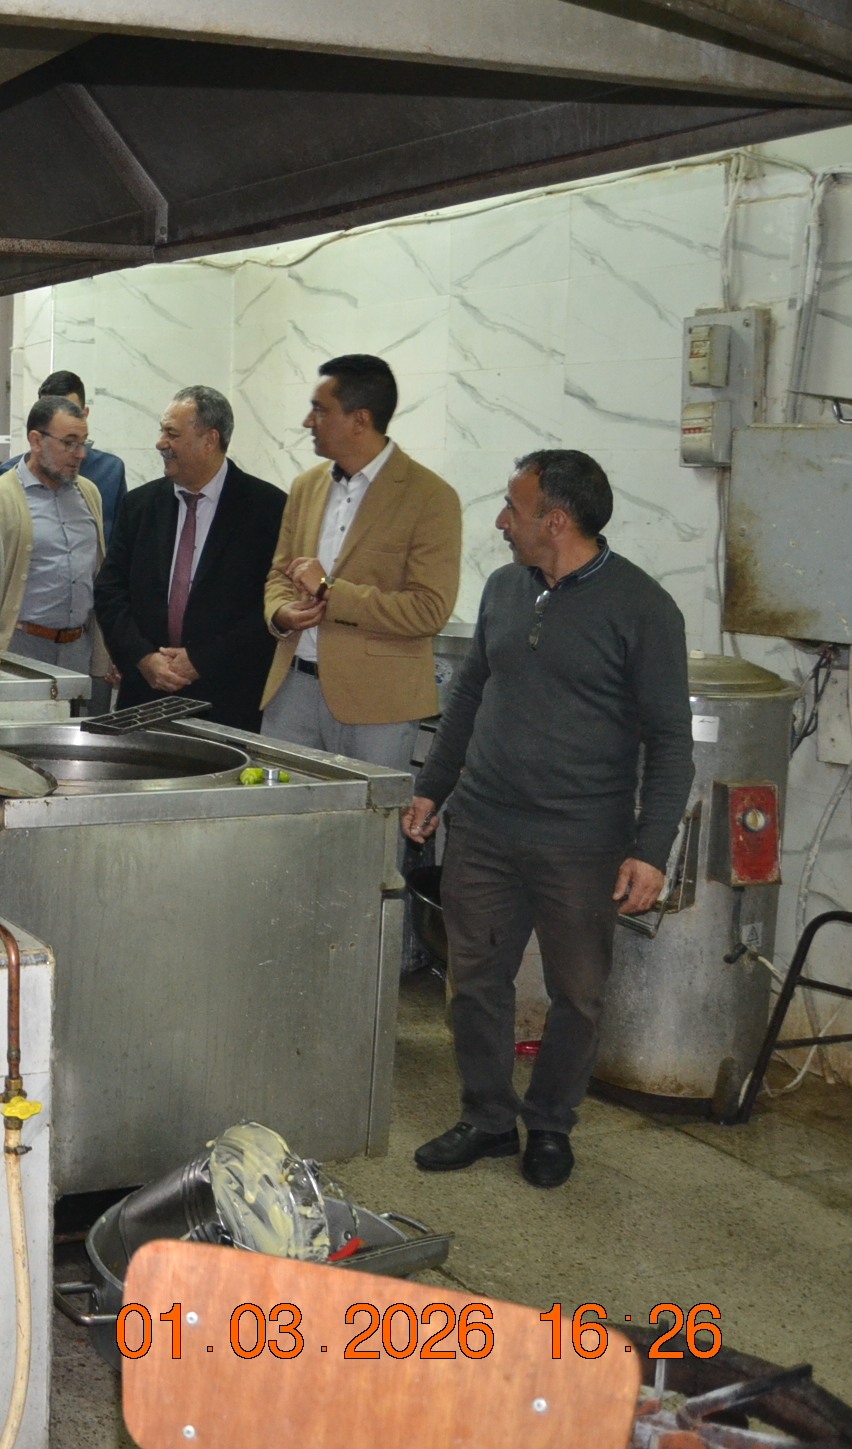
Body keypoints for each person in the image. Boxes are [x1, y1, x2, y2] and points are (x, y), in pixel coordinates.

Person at [404, 451, 692, 1189]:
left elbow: (670, 743)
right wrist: (434, 789)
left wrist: (651, 849)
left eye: (513, 507)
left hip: (582, 842)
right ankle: (487, 1118)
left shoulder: (644, 609)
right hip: (484, 827)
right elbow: (469, 696)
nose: (502, 521)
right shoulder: (505, 588)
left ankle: (552, 1125)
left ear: (555, 520)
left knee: (578, 996)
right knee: (476, 982)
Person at [259, 353, 460, 771]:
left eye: (319, 410)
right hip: (292, 688)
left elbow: (429, 610)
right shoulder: (305, 486)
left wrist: (330, 592)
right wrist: (280, 613)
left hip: (378, 705)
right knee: (277, 810)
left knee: (370, 814)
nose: (308, 421)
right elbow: (280, 573)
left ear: (360, 419)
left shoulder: (430, 497)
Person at [95, 386, 286, 731]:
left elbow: (270, 607)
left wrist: (202, 661)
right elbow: (110, 591)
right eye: (162, 431)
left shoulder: (268, 509)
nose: (160, 443)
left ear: (210, 440)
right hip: (144, 697)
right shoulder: (139, 505)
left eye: (172, 433)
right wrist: (143, 657)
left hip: (227, 703)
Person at [0, 396, 105, 682]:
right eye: (69, 443)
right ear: (36, 441)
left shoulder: (89, 494)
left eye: (84, 443)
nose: (81, 454)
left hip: (78, 648)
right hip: (20, 648)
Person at [0, 370, 128, 543]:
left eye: (70, 410)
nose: (79, 454)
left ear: (84, 414)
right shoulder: (8, 479)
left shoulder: (109, 472)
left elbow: (120, 540)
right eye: (68, 443)